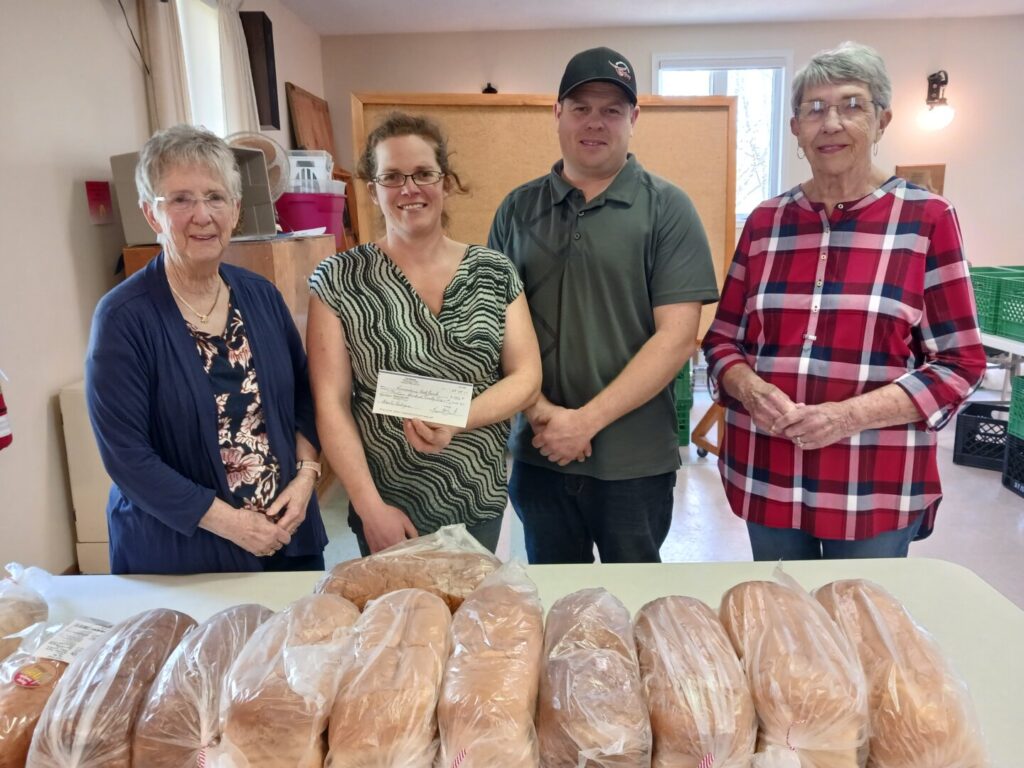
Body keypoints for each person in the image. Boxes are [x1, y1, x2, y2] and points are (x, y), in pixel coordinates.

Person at [702, 42, 986, 561]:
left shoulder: (927, 219)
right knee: (781, 627)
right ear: (795, 129)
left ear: (882, 120)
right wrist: (750, 388)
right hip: (770, 473)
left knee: (860, 628)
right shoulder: (766, 223)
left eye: (851, 105)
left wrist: (848, 416)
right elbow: (722, 341)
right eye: (814, 109)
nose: (831, 122)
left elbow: (960, 363)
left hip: (873, 480)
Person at [488, 47, 719, 564]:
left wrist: (584, 422)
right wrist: (544, 415)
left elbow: (678, 337)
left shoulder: (668, 209)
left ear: (633, 119)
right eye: (581, 107)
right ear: (557, 113)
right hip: (540, 454)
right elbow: (496, 327)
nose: (596, 123)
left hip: (633, 464)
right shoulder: (517, 209)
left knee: (633, 612)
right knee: (555, 610)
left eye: (612, 110)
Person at [86, 124, 327, 574]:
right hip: (183, 553)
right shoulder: (123, 318)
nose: (202, 215)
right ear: (151, 214)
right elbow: (127, 457)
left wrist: (306, 476)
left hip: (287, 534)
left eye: (216, 197)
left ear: (236, 210)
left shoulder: (261, 296)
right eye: (181, 199)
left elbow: (302, 396)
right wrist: (233, 525)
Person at [307, 112, 541, 556]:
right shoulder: (338, 279)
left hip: (478, 499)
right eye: (392, 176)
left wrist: (458, 418)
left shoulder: (493, 272)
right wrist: (370, 507)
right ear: (373, 190)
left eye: (423, 174)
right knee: (396, 622)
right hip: (387, 509)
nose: (408, 189)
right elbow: (330, 403)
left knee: (472, 620)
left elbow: (527, 376)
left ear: (446, 182)